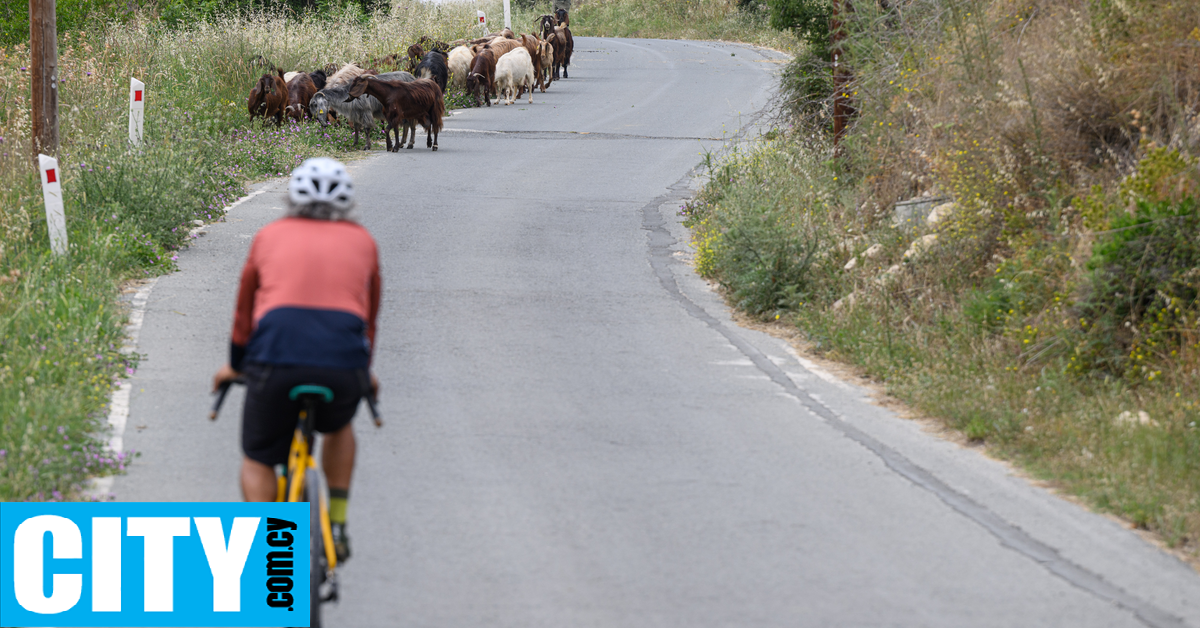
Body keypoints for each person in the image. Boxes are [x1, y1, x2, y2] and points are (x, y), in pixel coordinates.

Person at [212, 157, 380, 562]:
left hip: (275, 360)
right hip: (343, 364)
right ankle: (336, 525)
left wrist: (236, 361)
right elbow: (368, 321)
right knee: (339, 427)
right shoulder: (363, 241)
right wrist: (364, 372)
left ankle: (273, 553)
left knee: (258, 457)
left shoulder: (269, 236)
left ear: (291, 198)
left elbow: (244, 311)